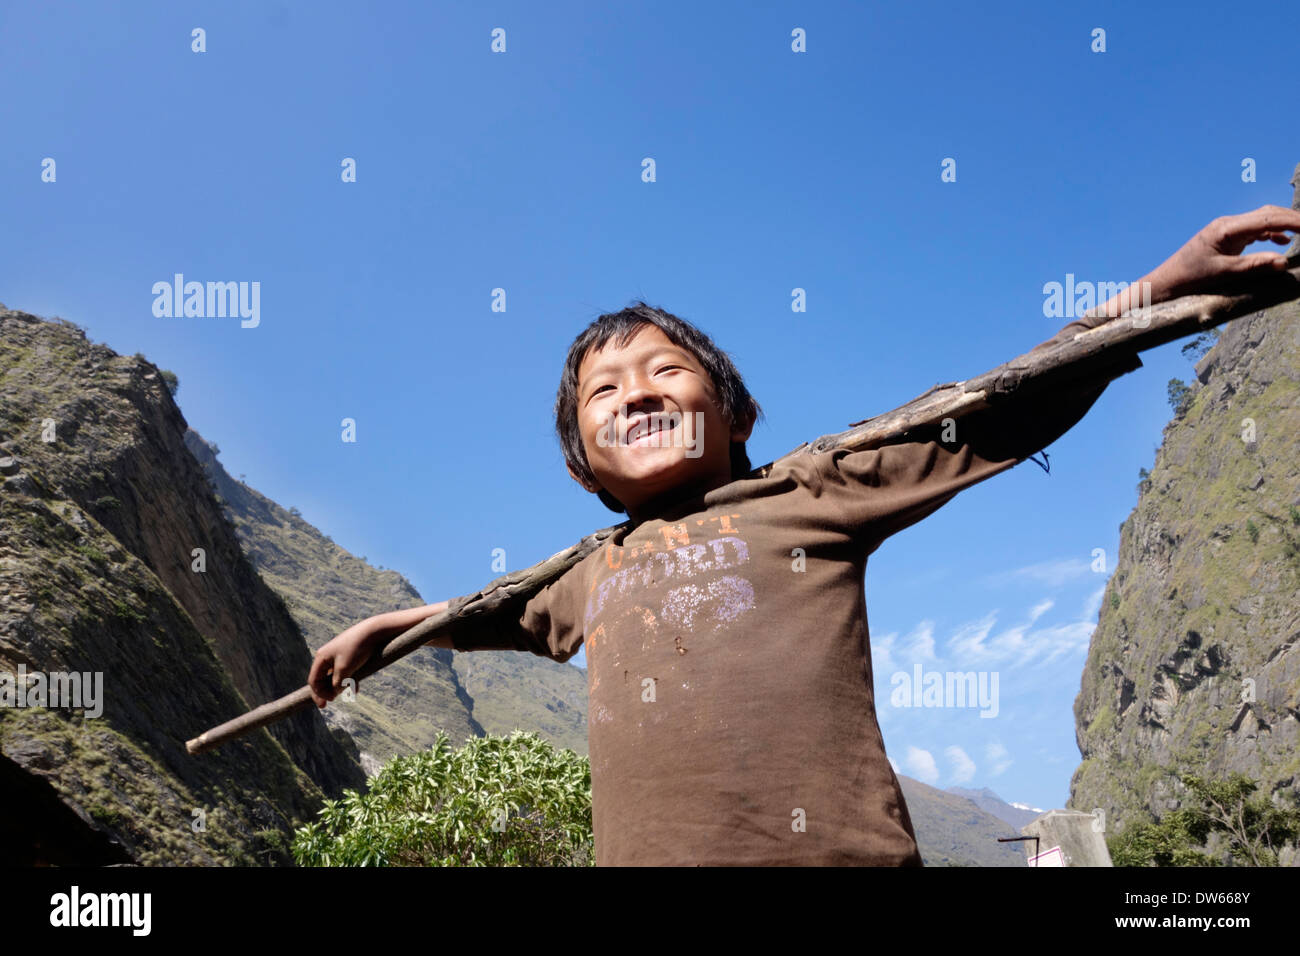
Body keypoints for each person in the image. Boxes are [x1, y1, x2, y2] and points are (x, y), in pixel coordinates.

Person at [308, 205, 1300, 865]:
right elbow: (492, 613)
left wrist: (1155, 293)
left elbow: (1007, 400)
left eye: (666, 370)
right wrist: (392, 627)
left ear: (736, 413)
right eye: (602, 392)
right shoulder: (583, 575)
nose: (637, 390)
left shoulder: (810, 490)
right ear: (580, 465)